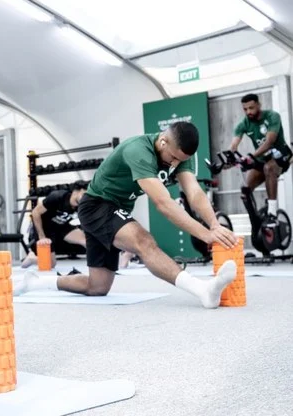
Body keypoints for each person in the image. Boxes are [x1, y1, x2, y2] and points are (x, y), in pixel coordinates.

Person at [15, 122, 239, 309]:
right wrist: (205, 235)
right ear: (163, 141)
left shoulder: (180, 153)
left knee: (98, 287)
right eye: (173, 158)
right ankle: (203, 290)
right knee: (144, 241)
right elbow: (163, 203)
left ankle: (38, 283)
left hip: (115, 208)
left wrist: (213, 225)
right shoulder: (138, 150)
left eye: (181, 160)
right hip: (96, 206)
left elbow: (194, 191)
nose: (176, 164)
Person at [230, 93, 292, 227]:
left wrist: (251, 156)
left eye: (251, 108)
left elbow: (270, 141)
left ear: (259, 105)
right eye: (245, 109)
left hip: (281, 157)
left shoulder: (272, 116)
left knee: (269, 168)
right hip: (261, 160)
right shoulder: (244, 124)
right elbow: (234, 145)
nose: (248, 112)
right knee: (245, 189)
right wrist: (228, 159)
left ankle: (272, 214)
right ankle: (255, 220)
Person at [20, 181, 88, 268]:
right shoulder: (58, 197)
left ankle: (99, 266)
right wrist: (42, 237)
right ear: (76, 191)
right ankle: (32, 258)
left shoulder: (82, 206)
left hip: (61, 226)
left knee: (87, 241)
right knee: (51, 264)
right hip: (45, 228)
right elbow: (35, 212)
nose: (86, 198)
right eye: (85, 195)